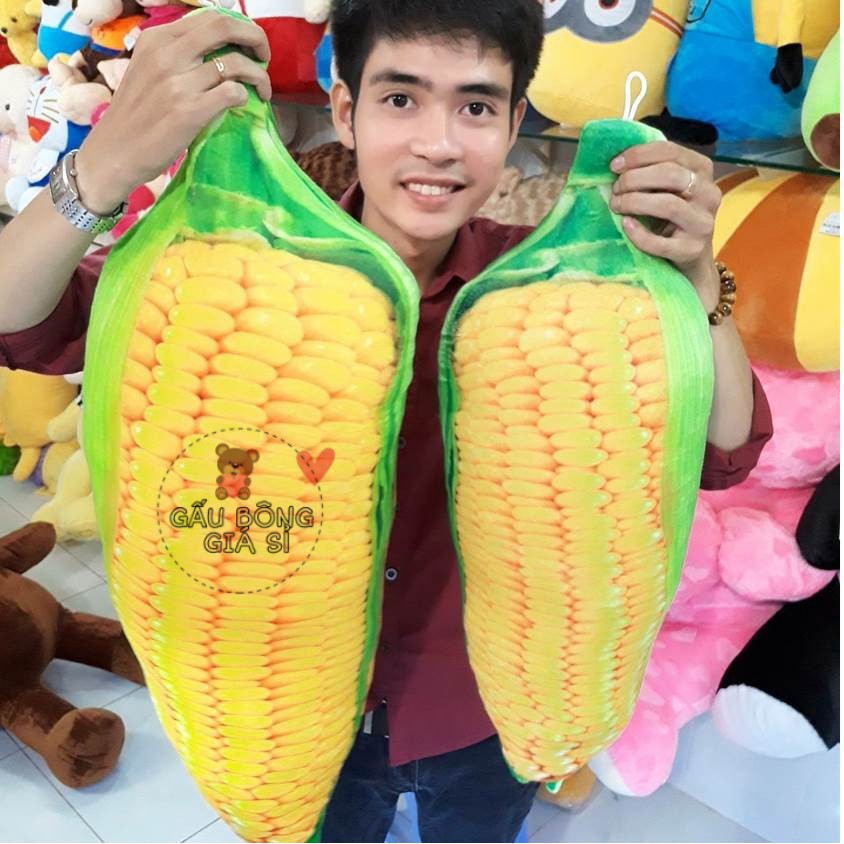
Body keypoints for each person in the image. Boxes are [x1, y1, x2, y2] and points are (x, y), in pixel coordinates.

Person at [0, 1, 774, 841]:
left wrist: (698, 283)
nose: (437, 143)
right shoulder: (233, 273)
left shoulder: (553, 298)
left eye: (475, 106)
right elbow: (17, 320)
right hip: (288, 717)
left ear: (514, 122)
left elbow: (724, 451)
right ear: (345, 108)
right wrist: (103, 168)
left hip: (480, 709)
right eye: (400, 98)